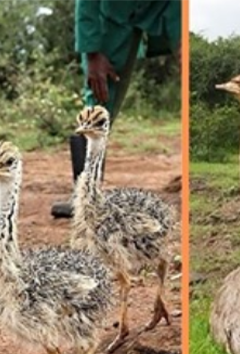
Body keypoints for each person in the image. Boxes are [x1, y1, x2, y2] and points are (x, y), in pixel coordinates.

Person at [50, 0, 181, 218]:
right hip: (114, 11)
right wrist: (92, 52)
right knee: (99, 97)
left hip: (167, 5)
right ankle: (85, 197)